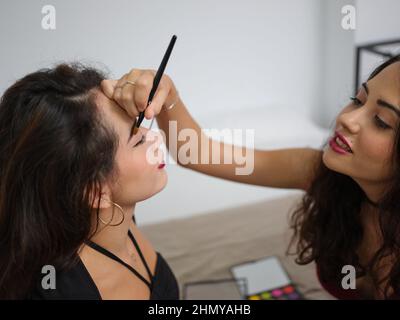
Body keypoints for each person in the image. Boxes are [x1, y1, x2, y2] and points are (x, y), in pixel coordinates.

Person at [102, 55, 400, 299]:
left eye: (381, 122)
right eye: (358, 100)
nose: (347, 118)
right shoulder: (323, 175)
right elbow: (197, 153)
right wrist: (168, 93)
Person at [0, 63, 179, 300]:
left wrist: (171, 97)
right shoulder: (65, 292)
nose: (156, 137)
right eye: (136, 141)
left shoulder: (116, 219)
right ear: (96, 192)